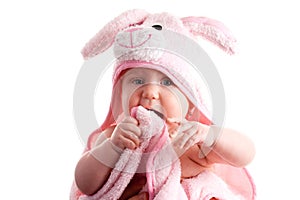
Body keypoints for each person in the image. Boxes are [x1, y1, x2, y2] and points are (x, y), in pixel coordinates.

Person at [70, 9, 256, 200]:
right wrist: (112, 148)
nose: (150, 92)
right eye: (137, 81)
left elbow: (246, 153)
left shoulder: (190, 140)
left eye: (167, 83)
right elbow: (85, 184)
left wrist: (208, 134)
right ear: (119, 99)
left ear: (191, 104)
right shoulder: (114, 137)